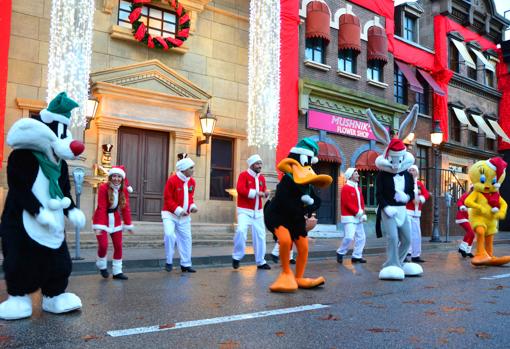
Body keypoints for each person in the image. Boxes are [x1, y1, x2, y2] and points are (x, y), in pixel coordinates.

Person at [92, 166, 134, 280]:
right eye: (114, 176)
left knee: (118, 246)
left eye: (119, 176)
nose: (116, 179)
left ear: (122, 178)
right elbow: (101, 207)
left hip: (115, 219)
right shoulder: (103, 188)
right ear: (110, 177)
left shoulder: (123, 189)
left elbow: (125, 208)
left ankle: (117, 272)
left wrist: (128, 223)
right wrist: (100, 226)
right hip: (101, 218)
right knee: (103, 245)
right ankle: (101, 264)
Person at [232, 154, 271, 270]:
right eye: (257, 164)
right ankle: (237, 257)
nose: (260, 166)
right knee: (240, 231)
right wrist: (255, 193)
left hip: (258, 212)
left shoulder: (262, 178)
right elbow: (240, 190)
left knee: (260, 236)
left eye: (260, 163)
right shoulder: (243, 175)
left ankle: (261, 261)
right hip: (245, 211)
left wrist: (266, 193)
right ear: (252, 165)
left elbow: (263, 191)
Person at [162, 155, 198, 273]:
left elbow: (190, 198)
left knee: (186, 239)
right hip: (169, 214)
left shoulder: (192, 181)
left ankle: (186, 264)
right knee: (169, 235)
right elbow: (168, 198)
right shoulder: (172, 180)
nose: (193, 170)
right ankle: (169, 261)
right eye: (191, 168)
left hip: (185, 217)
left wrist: (192, 207)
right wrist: (178, 210)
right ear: (184, 169)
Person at [336, 168, 367, 264]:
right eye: (356, 174)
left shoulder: (358, 188)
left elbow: (361, 202)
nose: (358, 175)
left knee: (361, 237)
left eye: (357, 173)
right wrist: (358, 213)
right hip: (349, 216)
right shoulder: (346, 188)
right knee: (349, 237)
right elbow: (347, 204)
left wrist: (363, 213)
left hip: (358, 216)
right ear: (350, 176)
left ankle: (357, 256)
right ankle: (340, 252)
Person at [405, 165, 430, 263]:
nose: (411, 171)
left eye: (413, 170)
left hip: (417, 213)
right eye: (410, 170)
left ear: (417, 172)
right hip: (407, 212)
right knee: (408, 233)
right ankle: (407, 253)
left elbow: (426, 194)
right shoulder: (406, 183)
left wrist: (420, 199)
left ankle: (416, 255)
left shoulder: (420, 184)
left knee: (417, 235)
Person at [457, 186, 475, 258]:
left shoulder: (476, 198)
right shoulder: (466, 195)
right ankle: (462, 248)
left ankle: (468, 251)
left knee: (472, 235)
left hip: (469, 217)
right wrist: (462, 206)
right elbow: (460, 201)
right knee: (470, 232)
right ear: (471, 189)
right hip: (462, 216)